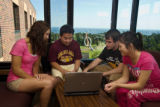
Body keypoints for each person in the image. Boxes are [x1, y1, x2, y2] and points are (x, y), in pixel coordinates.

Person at [7, 21, 58, 107]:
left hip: (29, 77)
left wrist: (36, 76)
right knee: (48, 84)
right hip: (15, 80)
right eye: (46, 34)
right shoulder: (20, 44)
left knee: (54, 80)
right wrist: (33, 79)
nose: (47, 37)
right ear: (39, 33)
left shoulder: (38, 46)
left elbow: (35, 67)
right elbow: (16, 70)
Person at [104, 31, 160, 107]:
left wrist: (117, 84)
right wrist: (113, 84)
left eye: (120, 46)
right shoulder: (126, 57)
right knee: (120, 90)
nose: (119, 49)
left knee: (132, 94)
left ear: (130, 46)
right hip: (145, 86)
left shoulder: (147, 60)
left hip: (157, 88)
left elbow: (140, 85)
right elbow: (125, 78)